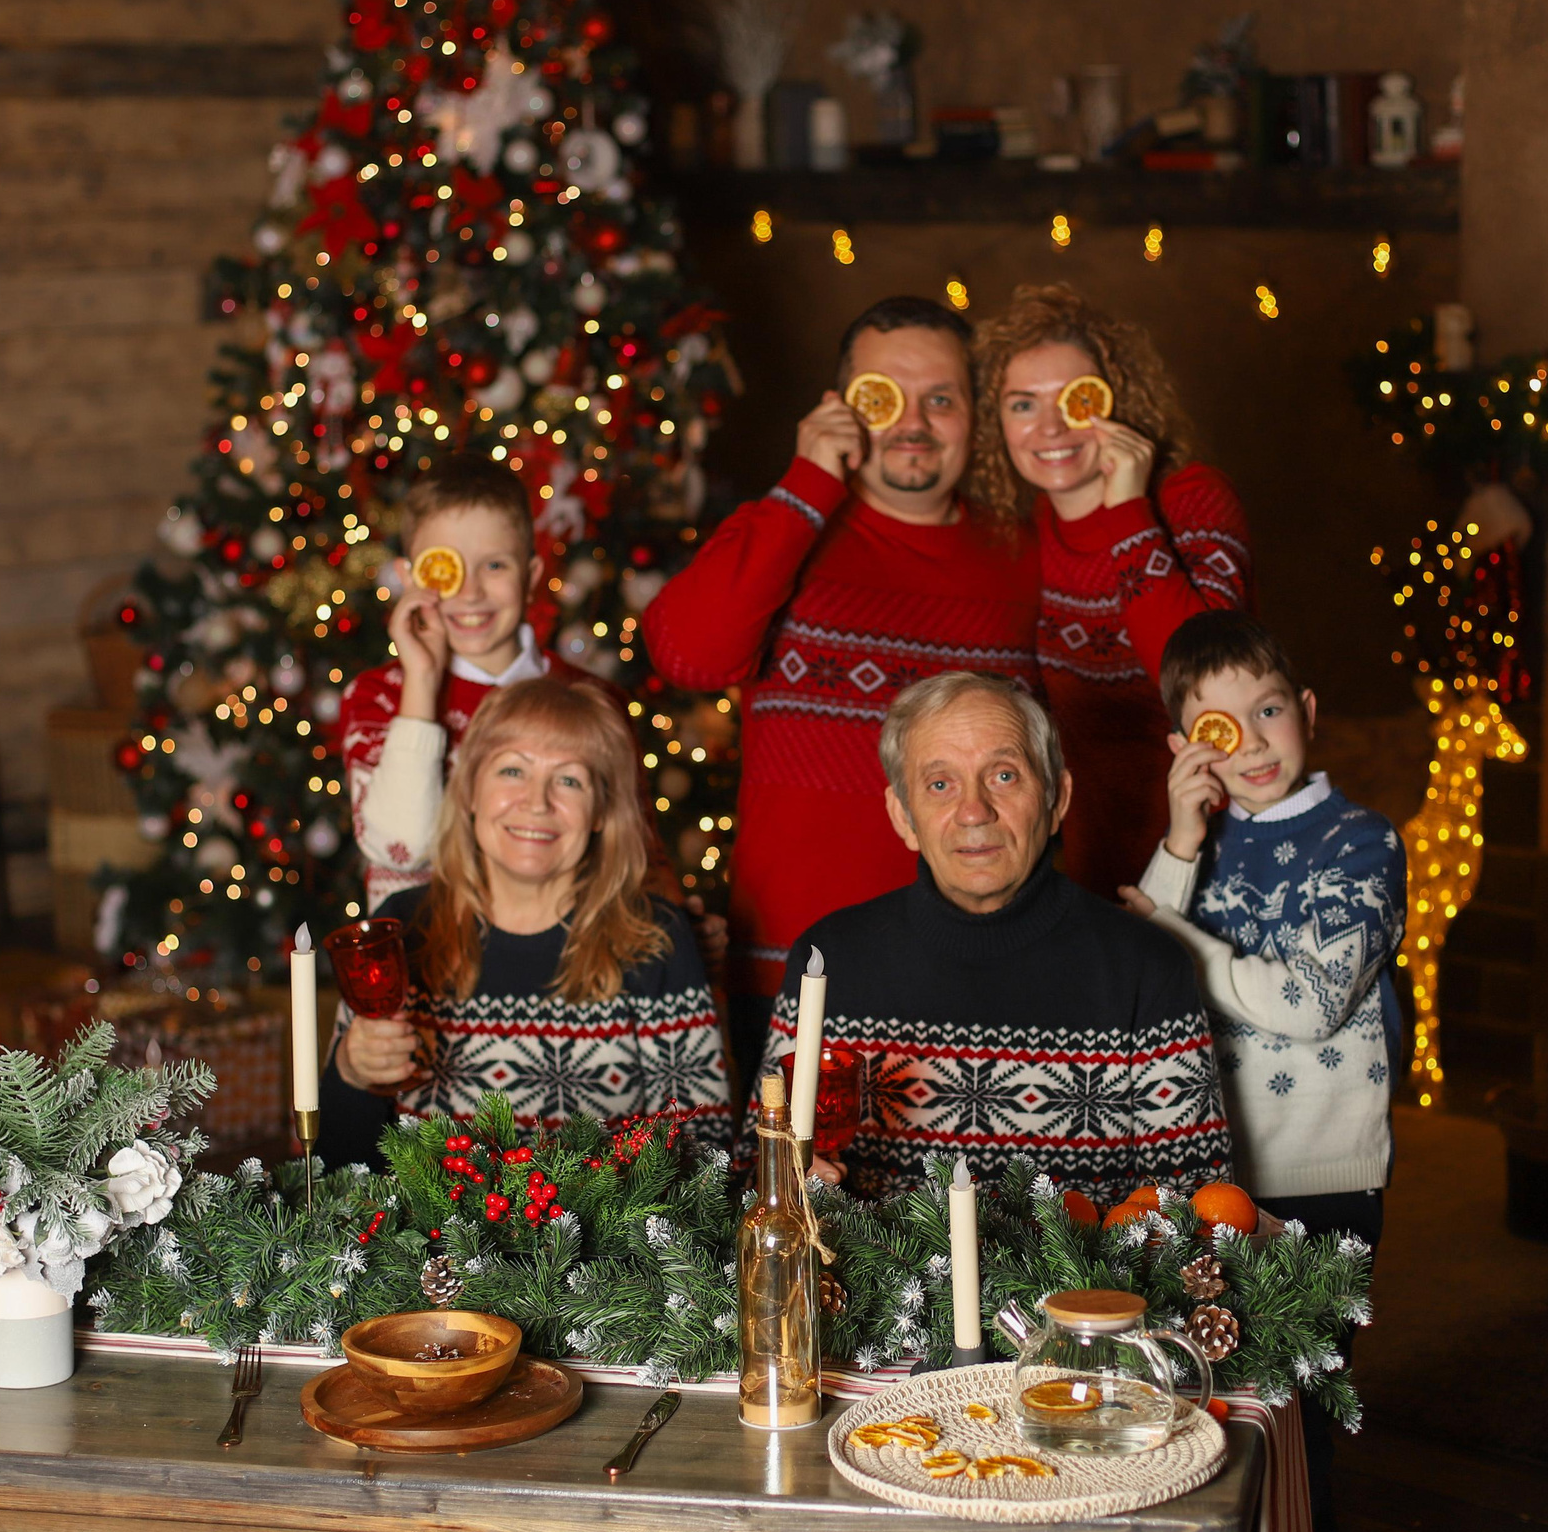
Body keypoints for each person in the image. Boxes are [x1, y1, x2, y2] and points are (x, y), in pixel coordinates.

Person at [645, 297, 1040, 1091]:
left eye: (941, 398)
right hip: (795, 976)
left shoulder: (1023, 557)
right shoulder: (787, 529)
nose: (914, 423)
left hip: (983, 975)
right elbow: (685, 654)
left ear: (975, 414)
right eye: (884, 398)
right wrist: (807, 482)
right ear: (841, 408)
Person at [1119, 610, 1406, 1532]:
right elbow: (1138, 965)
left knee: (1291, 1436)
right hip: (1210, 1176)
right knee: (1210, 1423)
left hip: (1322, 1182)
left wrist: (1180, 941)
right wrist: (1179, 840)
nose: (1252, 742)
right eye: (1221, 726)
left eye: (1270, 710)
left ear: (1307, 711)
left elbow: (1311, 1001)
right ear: (1187, 747)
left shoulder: (1361, 843)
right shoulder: (1200, 848)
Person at [762, 671, 1228, 1203]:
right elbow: (753, 1176)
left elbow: (1205, 1217)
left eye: (1004, 776)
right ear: (903, 815)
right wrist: (787, 1180)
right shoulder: (829, 963)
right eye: (940, 784)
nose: (974, 811)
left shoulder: (1148, 969)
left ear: (1057, 799)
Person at [319, 675, 732, 1169]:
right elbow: (335, 1169)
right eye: (512, 770)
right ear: (470, 791)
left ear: (602, 810)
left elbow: (706, 1161)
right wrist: (352, 1071)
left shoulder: (656, 937)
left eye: (569, 780)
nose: (537, 802)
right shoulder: (402, 927)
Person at [971, 284, 1252, 898]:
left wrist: (1127, 512)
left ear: (1119, 400)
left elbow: (1207, 682)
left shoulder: (1192, 499)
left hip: (1221, 861)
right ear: (998, 422)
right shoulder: (1027, 532)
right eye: (1023, 404)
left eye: (1076, 399)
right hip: (1098, 871)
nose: (1050, 426)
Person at [337, 454, 602, 912]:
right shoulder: (378, 698)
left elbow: (633, 847)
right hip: (428, 949)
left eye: (494, 566)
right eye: (446, 568)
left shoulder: (590, 701)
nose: (470, 592)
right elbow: (402, 848)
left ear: (531, 577)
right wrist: (422, 683)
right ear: (409, 580)